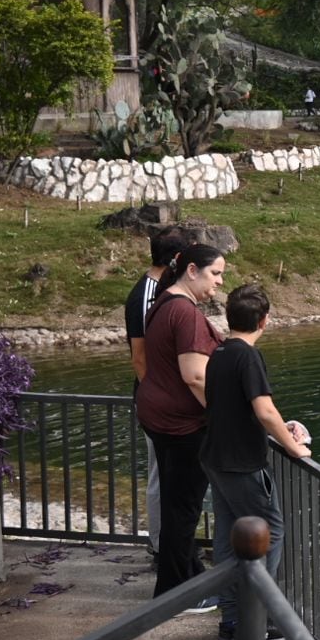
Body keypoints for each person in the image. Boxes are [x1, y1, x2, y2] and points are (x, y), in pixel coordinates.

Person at [204, 284, 311, 640]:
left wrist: (284, 429)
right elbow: (264, 410)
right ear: (264, 320)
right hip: (242, 464)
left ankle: (231, 622)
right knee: (270, 535)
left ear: (229, 317)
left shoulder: (218, 353)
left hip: (216, 460)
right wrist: (293, 447)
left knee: (228, 541)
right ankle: (255, 623)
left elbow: (240, 408)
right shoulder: (248, 357)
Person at [136, 243, 226, 608]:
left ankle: (183, 582)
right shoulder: (185, 313)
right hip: (182, 425)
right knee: (183, 509)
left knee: (177, 504)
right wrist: (225, 417)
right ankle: (177, 593)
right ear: (192, 270)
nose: (220, 282)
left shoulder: (162, 303)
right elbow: (194, 376)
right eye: (215, 273)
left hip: (159, 417)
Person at [124, 226, 193, 555]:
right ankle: (160, 544)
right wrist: (162, 398)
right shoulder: (146, 294)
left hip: (166, 401)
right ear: (178, 258)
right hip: (158, 404)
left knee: (173, 476)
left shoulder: (164, 290)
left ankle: (175, 543)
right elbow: (139, 358)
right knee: (160, 474)